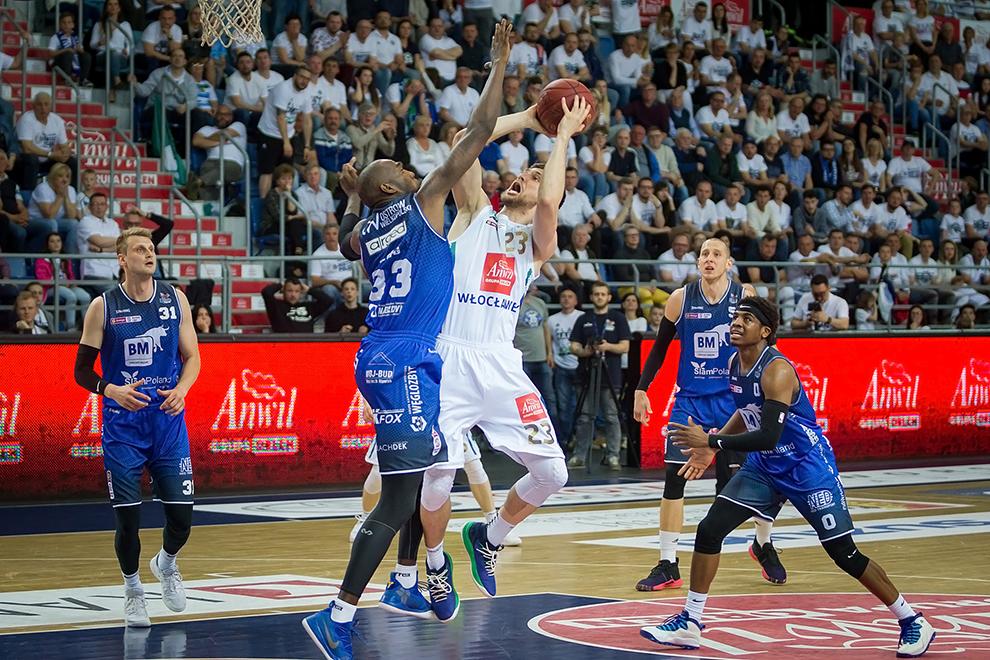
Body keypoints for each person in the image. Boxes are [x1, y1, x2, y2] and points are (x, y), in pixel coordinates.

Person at [302, 21, 514, 659]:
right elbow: (479, 131)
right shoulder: (421, 203)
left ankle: (402, 583)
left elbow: (348, 240)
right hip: (401, 357)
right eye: (397, 165)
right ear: (395, 188)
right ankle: (338, 614)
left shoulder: (368, 230)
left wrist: (351, 198)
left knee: (418, 478)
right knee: (398, 497)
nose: (407, 163)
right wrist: (498, 65)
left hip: (396, 354)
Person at [639, 297, 937, 658]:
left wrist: (712, 441)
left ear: (765, 331)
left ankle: (911, 619)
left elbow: (768, 435)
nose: (736, 323)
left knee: (844, 553)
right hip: (765, 467)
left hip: (805, 467)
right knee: (710, 530)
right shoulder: (734, 363)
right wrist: (714, 448)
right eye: (735, 318)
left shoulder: (776, 370)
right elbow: (747, 412)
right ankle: (690, 621)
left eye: (746, 319)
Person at [633, 237, 782, 592]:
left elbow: (767, 346)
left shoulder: (745, 296)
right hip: (691, 402)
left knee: (749, 479)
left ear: (729, 263)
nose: (709, 259)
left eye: (717, 254)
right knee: (674, 478)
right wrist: (641, 389)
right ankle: (667, 563)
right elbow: (659, 349)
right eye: (704, 254)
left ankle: (763, 543)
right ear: (697, 262)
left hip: (734, 401)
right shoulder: (680, 298)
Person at [73, 227, 200, 628]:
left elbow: (193, 356)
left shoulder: (175, 298)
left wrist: (182, 389)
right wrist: (110, 389)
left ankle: (167, 562)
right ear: (122, 260)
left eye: (151, 248)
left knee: (182, 519)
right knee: (128, 521)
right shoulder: (103, 307)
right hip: (123, 427)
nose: (149, 253)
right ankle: (133, 591)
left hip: (167, 424)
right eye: (140, 249)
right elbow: (81, 371)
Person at [568, 280, 630, 470]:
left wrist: (607, 347)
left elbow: (625, 346)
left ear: (609, 297)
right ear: (591, 297)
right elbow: (573, 345)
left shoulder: (618, 318)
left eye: (603, 294)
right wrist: (585, 351)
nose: (600, 297)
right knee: (584, 417)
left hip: (610, 375)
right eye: (596, 294)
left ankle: (613, 456)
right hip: (586, 374)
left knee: (611, 416)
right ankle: (579, 456)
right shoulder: (584, 318)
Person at [548, 284, 582, 445]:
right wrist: (550, 355)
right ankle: (566, 438)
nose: (566, 299)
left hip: (580, 366)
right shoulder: (552, 320)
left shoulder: (582, 317)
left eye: (570, 297)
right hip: (561, 367)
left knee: (580, 406)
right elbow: (549, 341)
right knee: (563, 406)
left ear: (576, 300)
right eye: (563, 297)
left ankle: (580, 437)